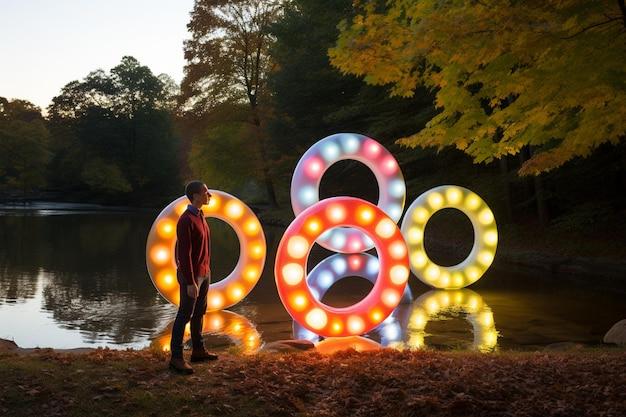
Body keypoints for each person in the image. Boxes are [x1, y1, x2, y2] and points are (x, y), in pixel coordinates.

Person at [169, 180, 218, 374]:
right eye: (206, 192)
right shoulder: (186, 220)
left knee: (200, 312)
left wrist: (205, 273)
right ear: (196, 196)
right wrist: (190, 281)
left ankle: (198, 350)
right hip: (192, 276)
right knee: (184, 314)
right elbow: (184, 255)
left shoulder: (201, 216)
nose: (209, 195)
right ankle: (176, 358)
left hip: (204, 273)